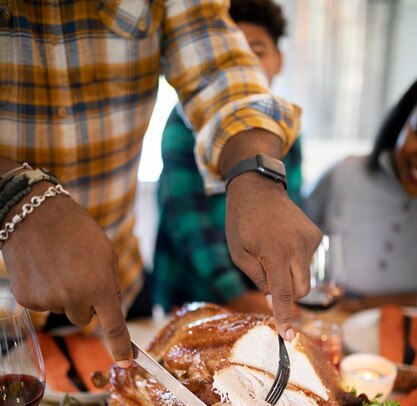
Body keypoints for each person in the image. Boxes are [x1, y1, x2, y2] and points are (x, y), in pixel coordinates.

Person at [0, 0, 321, 367]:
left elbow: (217, 70)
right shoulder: (178, 134)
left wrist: (257, 172)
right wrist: (15, 198)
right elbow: (192, 230)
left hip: (119, 285)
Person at [154, 0, 303, 315]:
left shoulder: (288, 130)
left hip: (257, 295)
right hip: (191, 293)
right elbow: (192, 226)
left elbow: (291, 208)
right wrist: (237, 296)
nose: (243, 66)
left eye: (256, 52)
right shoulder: (182, 126)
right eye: (234, 54)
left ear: (279, 61)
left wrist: (281, 286)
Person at [304, 79, 417, 296]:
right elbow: (295, 232)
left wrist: (365, 306)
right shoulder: (345, 173)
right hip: (329, 316)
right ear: (401, 123)